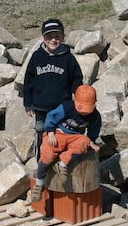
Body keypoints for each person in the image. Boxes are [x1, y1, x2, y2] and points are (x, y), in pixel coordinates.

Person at [22, 18, 83, 157]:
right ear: (42, 38)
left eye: (57, 36)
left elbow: (77, 80)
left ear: (63, 37)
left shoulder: (68, 58)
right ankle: (40, 161)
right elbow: (29, 81)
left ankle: (60, 160)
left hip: (62, 107)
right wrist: (28, 104)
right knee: (41, 133)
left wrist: (79, 100)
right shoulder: (37, 57)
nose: (53, 40)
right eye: (49, 36)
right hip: (41, 107)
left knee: (61, 134)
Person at [29, 85, 101, 203]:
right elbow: (51, 117)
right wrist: (50, 133)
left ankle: (62, 163)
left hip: (75, 137)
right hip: (58, 133)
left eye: (87, 110)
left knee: (84, 142)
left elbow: (94, 129)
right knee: (47, 153)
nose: (84, 113)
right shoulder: (66, 107)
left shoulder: (95, 115)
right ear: (75, 101)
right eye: (81, 109)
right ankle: (39, 183)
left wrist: (91, 141)